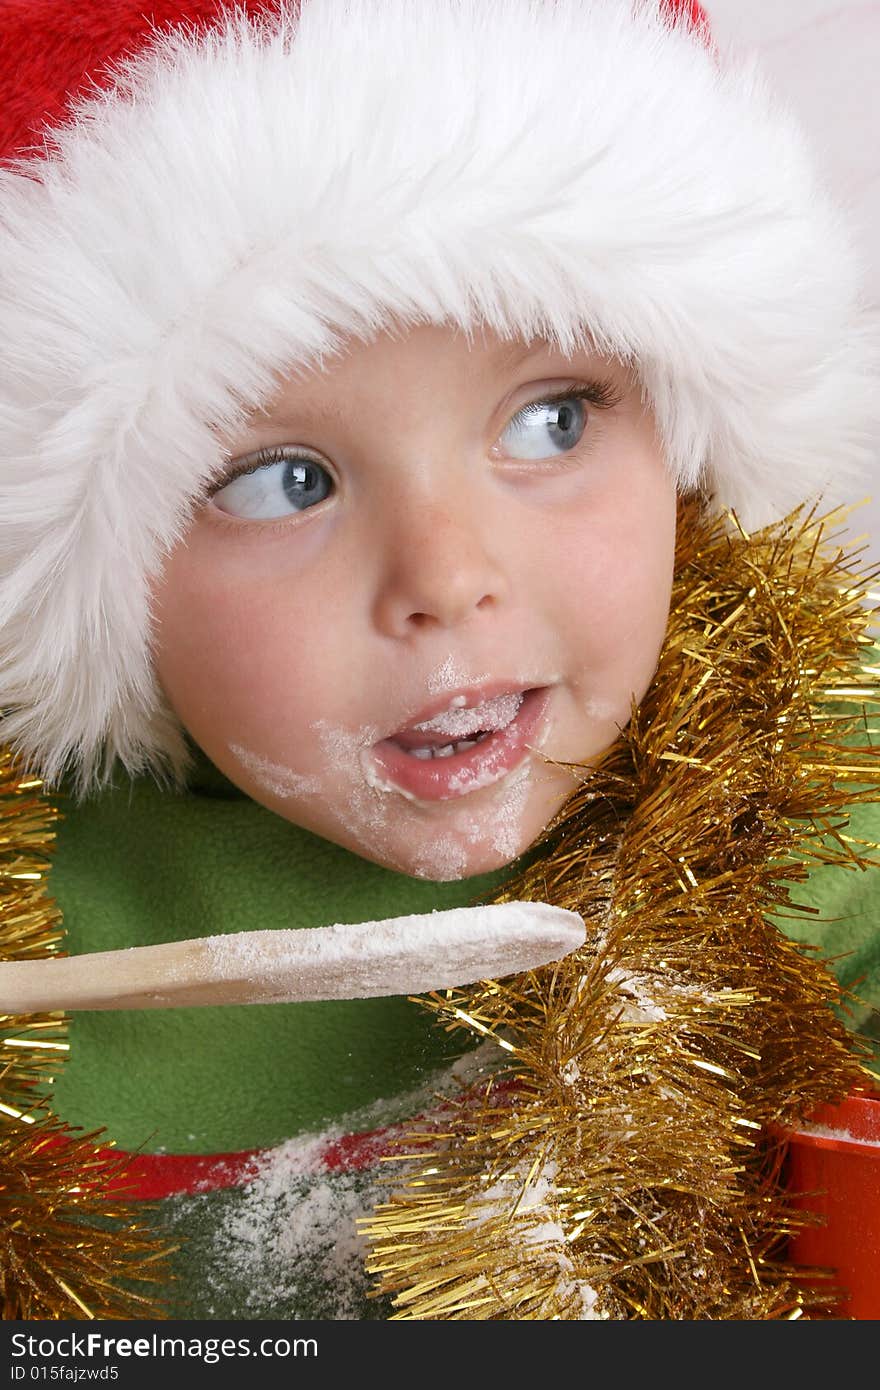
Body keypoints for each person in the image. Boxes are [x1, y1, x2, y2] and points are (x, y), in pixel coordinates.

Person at [0, 0, 877, 1320]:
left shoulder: (819, 814)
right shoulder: (42, 923)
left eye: (551, 417)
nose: (449, 577)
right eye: (283, 481)